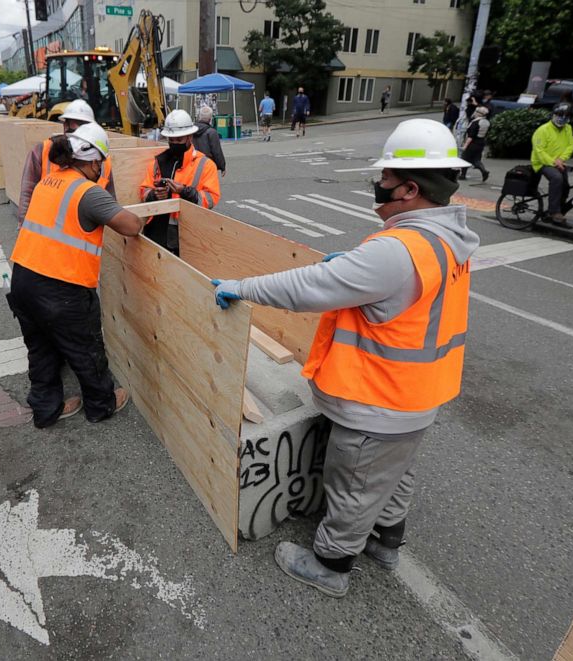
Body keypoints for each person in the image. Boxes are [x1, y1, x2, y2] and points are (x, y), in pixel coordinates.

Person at [212, 118, 478, 598]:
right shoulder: (445, 241)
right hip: (416, 397)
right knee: (392, 477)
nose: (377, 186)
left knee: (353, 484)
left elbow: (304, 288)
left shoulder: (397, 251)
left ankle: (331, 565)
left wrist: (240, 287)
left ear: (410, 189)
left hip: (378, 400)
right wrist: (353, 270)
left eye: (384, 180)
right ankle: (386, 543)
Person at [8, 124, 143, 428]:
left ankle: (46, 409)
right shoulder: (86, 192)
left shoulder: (50, 180)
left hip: (23, 282)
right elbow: (131, 226)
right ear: (94, 161)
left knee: (41, 350)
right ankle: (101, 405)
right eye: (101, 163)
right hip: (61, 290)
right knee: (85, 349)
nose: (101, 169)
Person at [139, 109, 221, 255]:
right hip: (156, 232)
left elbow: (210, 199)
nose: (174, 143)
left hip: (186, 236)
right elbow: (144, 190)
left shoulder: (205, 164)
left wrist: (184, 191)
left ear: (189, 137)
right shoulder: (158, 161)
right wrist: (154, 194)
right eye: (171, 140)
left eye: (179, 140)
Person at [17, 99, 115, 222]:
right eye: (68, 123)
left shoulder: (102, 158)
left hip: (84, 228)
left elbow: (110, 199)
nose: (71, 127)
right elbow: (27, 192)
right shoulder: (44, 149)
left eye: (78, 123)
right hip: (46, 223)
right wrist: (23, 225)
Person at [531, 103, 573, 225]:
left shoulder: (568, 128)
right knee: (557, 178)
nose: (562, 118)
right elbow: (539, 150)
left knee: (565, 186)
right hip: (541, 163)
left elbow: (571, 145)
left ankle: (560, 211)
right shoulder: (543, 130)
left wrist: (561, 159)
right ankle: (554, 211)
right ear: (553, 115)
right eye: (560, 115)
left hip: (559, 162)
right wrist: (553, 162)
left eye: (566, 116)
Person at [459, 105, 490, 182]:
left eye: (476, 111)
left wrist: (465, 146)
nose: (475, 113)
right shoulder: (487, 122)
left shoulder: (475, 123)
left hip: (473, 143)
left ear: (479, 113)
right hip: (481, 142)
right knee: (476, 159)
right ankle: (484, 171)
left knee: (465, 158)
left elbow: (471, 136)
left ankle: (463, 175)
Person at [192, 105, 226, 174]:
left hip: (192, 163)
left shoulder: (191, 130)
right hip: (207, 164)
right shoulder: (212, 132)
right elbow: (217, 151)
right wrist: (222, 167)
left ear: (199, 116)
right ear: (210, 119)